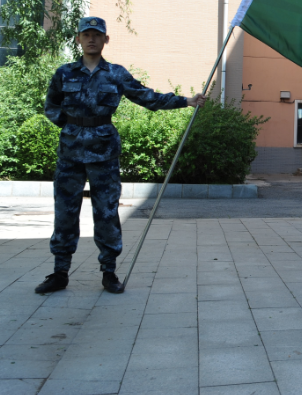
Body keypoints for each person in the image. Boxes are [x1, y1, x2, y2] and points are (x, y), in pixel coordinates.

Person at [35, 17, 206, 295]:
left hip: (104, 153)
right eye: (86, 34)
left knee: (106, 212)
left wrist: (186, 101)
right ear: (78, 39)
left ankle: (109, 272)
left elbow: (146, 97)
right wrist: (70, 126)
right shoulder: (64, 73)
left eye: (97, 35)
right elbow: (51, 106)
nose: (91, 39)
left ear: (106, 39)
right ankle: (60, 273)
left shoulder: (115, 74)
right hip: (70, 154)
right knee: (65, 212)